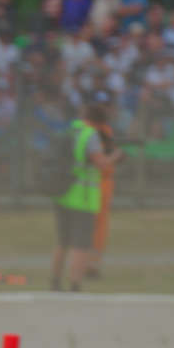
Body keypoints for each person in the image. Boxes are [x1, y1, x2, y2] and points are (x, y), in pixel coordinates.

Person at [51, 98, 120, 292]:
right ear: (99, 122)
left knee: (62, 242)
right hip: (82, 197)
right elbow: (101, 163)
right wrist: (116, 156)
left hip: (62, 193)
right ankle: (75, 283)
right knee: (80, 244)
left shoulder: (69, 131)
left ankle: (55, 281)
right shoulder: (90, 135)